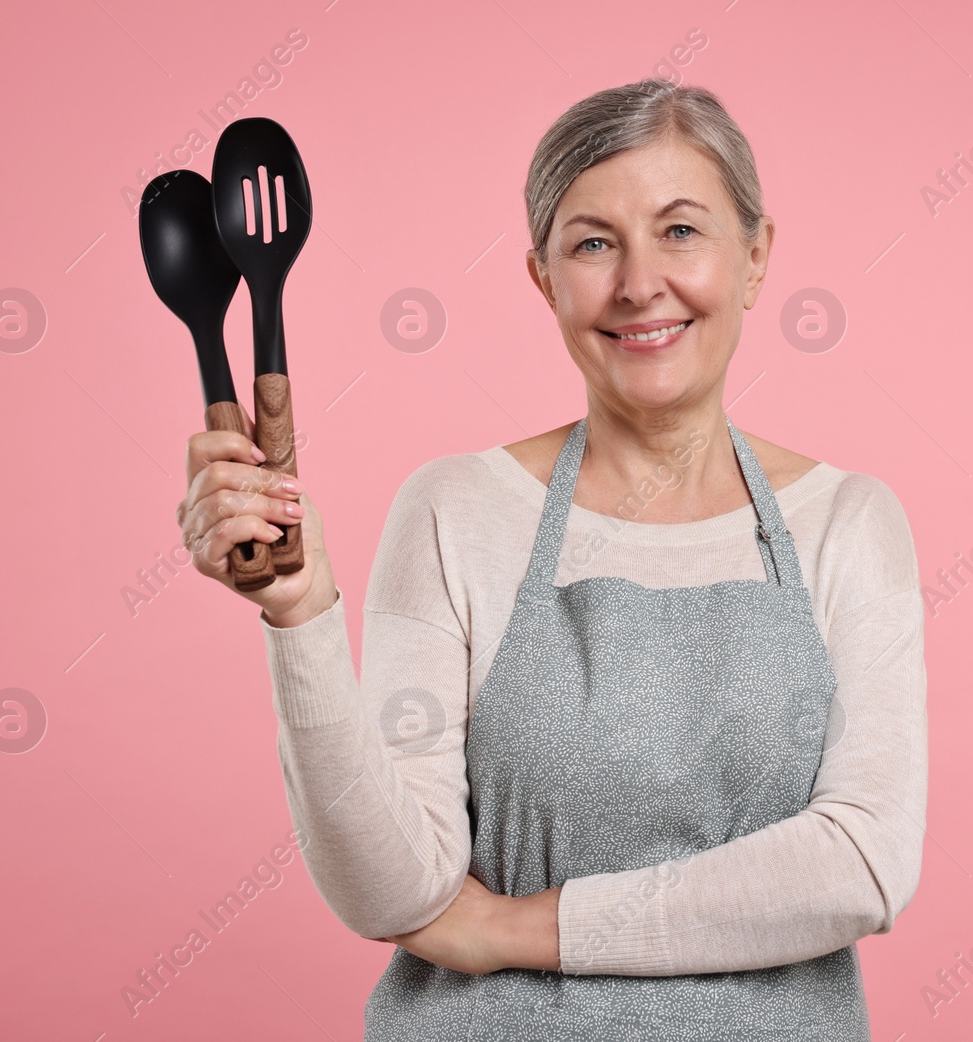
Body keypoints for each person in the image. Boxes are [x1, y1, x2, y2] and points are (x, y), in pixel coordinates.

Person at [175, 77, 928, 1040]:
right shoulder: (454, 509)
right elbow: (392, 891)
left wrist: (518, 929)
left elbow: (860, 863)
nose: (638, 284)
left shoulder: (850, 526)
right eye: (593, 243)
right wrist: (298, 612)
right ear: (544, 278)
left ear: (756, 255)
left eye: (682, 230)